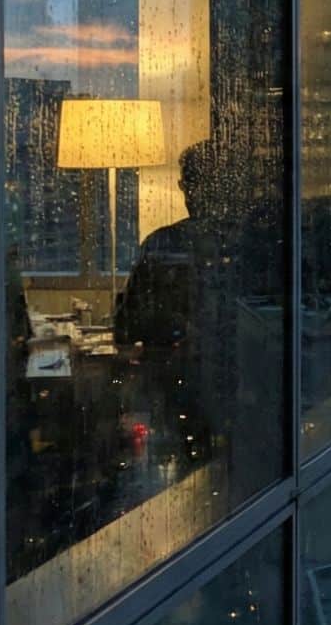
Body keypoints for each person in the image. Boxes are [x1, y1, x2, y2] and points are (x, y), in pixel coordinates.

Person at [117, 139, 281, 487]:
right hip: (243, 398)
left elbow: (127, 327)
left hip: (185, 396)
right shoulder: (256, 246)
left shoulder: (164, 244)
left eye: (193, 183)